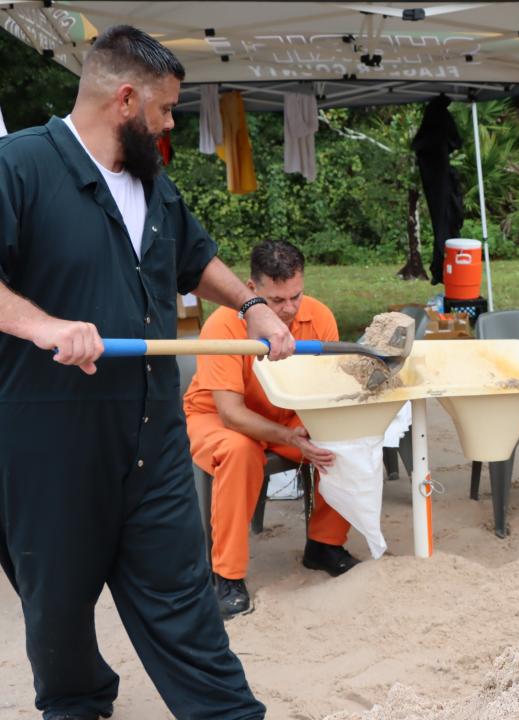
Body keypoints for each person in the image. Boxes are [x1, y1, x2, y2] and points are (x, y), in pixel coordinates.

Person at [0, 25, 294, 720]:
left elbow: (195, 258)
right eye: (164, 110)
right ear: (126, 100)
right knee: (59, 603)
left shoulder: (151, 183)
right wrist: (44, 326)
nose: (169, 125)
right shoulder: (20, 165)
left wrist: (253, 305)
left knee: (183, 594)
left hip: (153, 434)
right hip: (51, 440)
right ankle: (76, 704)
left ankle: (227, 713)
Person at [184, 240, 360, 619]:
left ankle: (325, 545)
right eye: (277, 301)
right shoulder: (222, 324)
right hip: (216, 417)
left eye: (295, 295)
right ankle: (226, 576)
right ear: (250, 290)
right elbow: (231, 414)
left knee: (342, 441)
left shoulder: (319, 315)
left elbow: (329, 390)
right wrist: (287, 437)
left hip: (287, 415)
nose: (290, 308)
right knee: (239, 452)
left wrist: (316, 429)